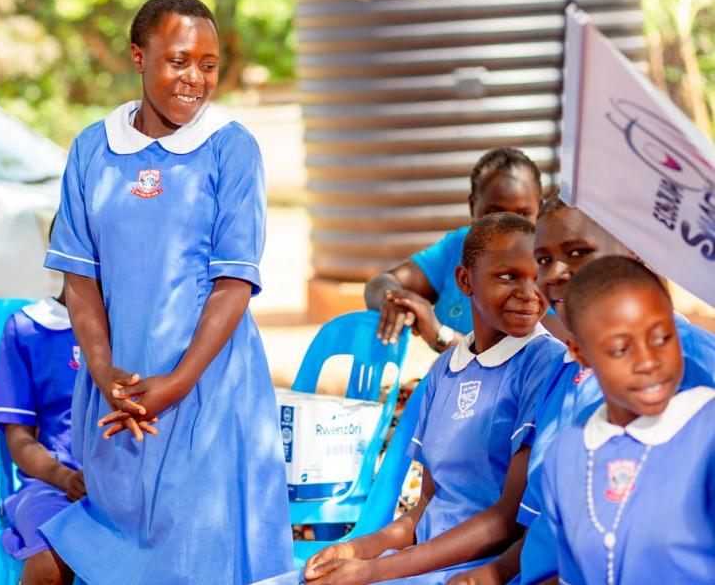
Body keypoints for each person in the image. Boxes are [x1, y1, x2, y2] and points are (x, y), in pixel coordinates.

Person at [37, 0, 294, 584]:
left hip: (206, 389)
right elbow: (80, 281)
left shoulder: (231, 148)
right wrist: (106, 378)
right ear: (138, 55)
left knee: (193, 558)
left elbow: (233, 284)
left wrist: (176, 383)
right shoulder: (92, 150)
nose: (195, 79)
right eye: (179, 60)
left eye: (209, 63)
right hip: (118, 400)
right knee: (92, 550)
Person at [448, 195, 715, 585]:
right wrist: (492, 573)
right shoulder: (563, 375)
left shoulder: (690, 367)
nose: (554, 272)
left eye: (577, 252)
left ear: (633, 252)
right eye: (542, 259)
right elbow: (553, 530)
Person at [301, 213, 564, 585]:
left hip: (476, 573)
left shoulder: (543, 362)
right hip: (419, 562)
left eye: (536, 275)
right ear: (464, 280)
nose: (528, 291)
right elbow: (426, 506)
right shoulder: (445, 370)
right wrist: (355, 550)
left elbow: (507, 520)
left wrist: (374, 570)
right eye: (508, 276)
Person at [539, 256, 715, 584]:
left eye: (662, 337)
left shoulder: (706, 433)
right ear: (579, 353)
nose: (648, 361)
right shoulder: (568, 453)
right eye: (621, 349)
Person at [366, 148, 542, 352]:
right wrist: (394, 299)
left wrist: (439, 334)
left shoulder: (547, 265)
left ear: (540, 209)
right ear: (472, 206)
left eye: (522, 214)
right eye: (495, 214)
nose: (508, 227)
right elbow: (379, 283)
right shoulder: (459, 246)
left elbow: (527, 361)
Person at [0, 276, 84, 585]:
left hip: (130, 489)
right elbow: (20, 440)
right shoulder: (29, 328)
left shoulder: (135, 326)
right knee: (50, 563)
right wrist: (65, 477)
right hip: (52, 485)